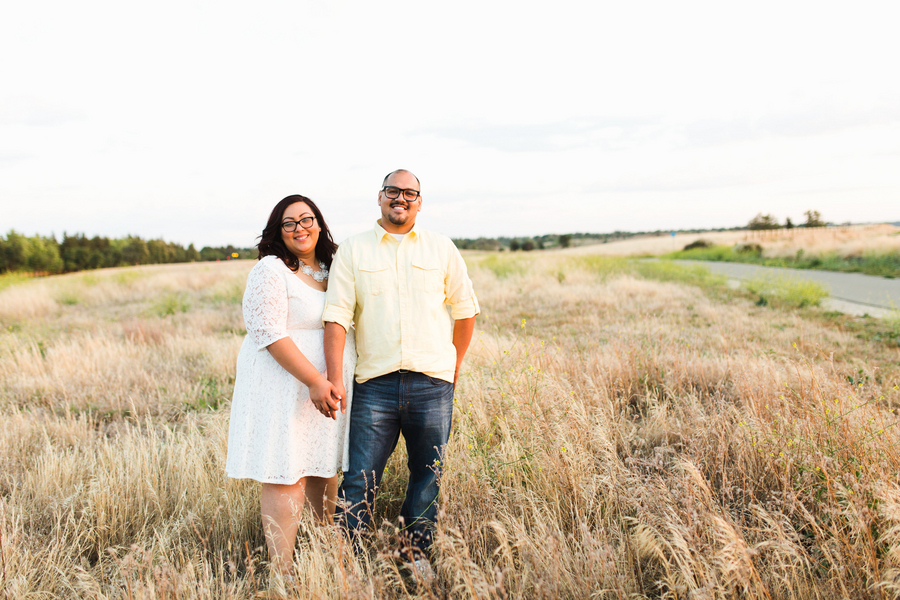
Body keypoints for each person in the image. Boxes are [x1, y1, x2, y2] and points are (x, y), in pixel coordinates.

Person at [322, 169, 479, 578]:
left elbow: (466, 310)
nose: (402, 199)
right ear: (379, 197)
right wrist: (334, 377)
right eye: (394, 191)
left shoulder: (441, 248)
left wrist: (453, 366)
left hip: (432, 384)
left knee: (427, 476)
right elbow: (336, 317)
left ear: (420, 202)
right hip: (375, 385)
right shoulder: (353, 251)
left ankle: (415, 555)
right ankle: (346, 563)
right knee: (359, 479)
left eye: (411, 193)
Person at [225, 195, 356, 573]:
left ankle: (321, 555)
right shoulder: (271, 269)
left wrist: (330, 380)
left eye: (307, 219)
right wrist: (315, 379)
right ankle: (282, 572)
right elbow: (267, 331)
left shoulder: (333, 267)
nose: (300, 228)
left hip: (327, 387)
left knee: (324, 467)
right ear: (277, 231)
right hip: (284, 386)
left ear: (320, 223)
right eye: (289, 223)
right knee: (286, 470)